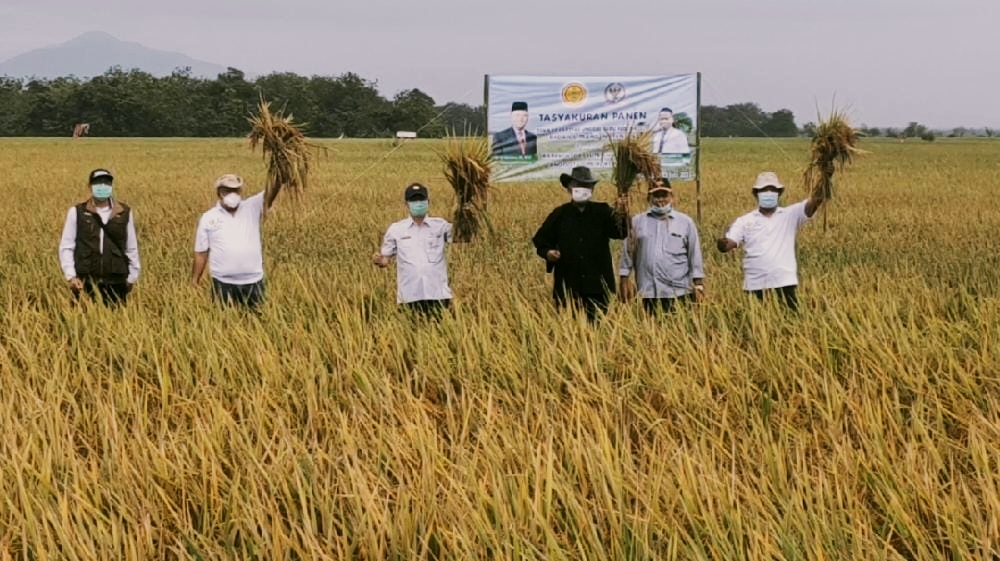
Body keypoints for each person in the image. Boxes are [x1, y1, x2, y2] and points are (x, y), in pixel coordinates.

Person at [716, 171, 828, 310]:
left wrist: (825, 178)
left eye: (773, 190)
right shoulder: (745, 221)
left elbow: (814, 202)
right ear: (756, 194)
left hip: (784, 282)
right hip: (755, 284)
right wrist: (724, 244)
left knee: (790, 322)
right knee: (758, 324)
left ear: (779, 193)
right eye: (764, 190)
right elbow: (731, 241)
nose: (768, 193)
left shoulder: (789, 214)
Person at [532, 166, 629, 321]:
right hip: (568, 287)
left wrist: (622, 212)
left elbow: (621, 233)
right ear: (569, 188)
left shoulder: (603, 212)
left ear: (591, 189)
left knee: (600, 331)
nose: (581, 189)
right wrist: (549, 253)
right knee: (569, 334)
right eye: (577, 185)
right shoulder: (559, 214)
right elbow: (540, 241)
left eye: (586, 186)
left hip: (598, 287)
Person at [619, 178, 705, 313]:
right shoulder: (636, 222)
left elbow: (694, 255)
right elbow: (628, 253)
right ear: (649, 198)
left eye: (663, 195)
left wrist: (699, 286)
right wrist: (624, 279)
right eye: (656, 196)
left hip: (678, 292)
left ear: (672, 196)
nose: (660, 200)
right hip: (647, 292)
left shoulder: (685, 222)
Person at [59, 168, 140, 305]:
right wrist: (71, 276)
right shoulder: (77, 212)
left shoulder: (124, 212)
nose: (102, 186)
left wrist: (132, 277)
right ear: (90, 186)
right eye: (98, 182)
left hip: (117, 281)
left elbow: (131, 247)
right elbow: (67, 247)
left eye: (106, 183)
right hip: (85, 281)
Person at [372, 182, 454, 317]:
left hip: (438, 293)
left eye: (421, 200)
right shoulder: (396, 229)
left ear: (428, 202)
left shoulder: (440, 226)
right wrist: (379, 260)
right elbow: (385, 260)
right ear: (406, 204)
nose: (418, 203)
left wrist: (466, 210)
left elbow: (463, 236)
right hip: (409, 295)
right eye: (414, 200)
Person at [191, 174, 272, 309]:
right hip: (223, 283)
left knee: (257, 322)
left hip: (253, 282)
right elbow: (201, 253)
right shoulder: (209, 217)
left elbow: (272, 190)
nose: (232, 194)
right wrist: (195, 280)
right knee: (224, 325)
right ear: (219, 193)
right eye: (227, 191)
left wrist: (281, 167)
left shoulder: (252, 207)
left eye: (235, 190)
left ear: (240, 192)